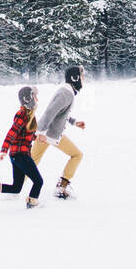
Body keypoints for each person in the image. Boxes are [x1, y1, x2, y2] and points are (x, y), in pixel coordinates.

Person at [32, 65, 87, 199]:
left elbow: (61, 113)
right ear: (75, 78)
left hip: (52, 134)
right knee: (77, 155)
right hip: (48, 135)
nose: (83, 79)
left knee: (31, 163)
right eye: (82, 76)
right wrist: (39, 132)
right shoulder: (65, 94)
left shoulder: (67, 92)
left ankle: (61, 187)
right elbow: (49, 113)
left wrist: (74, 122)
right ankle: (12, 189)